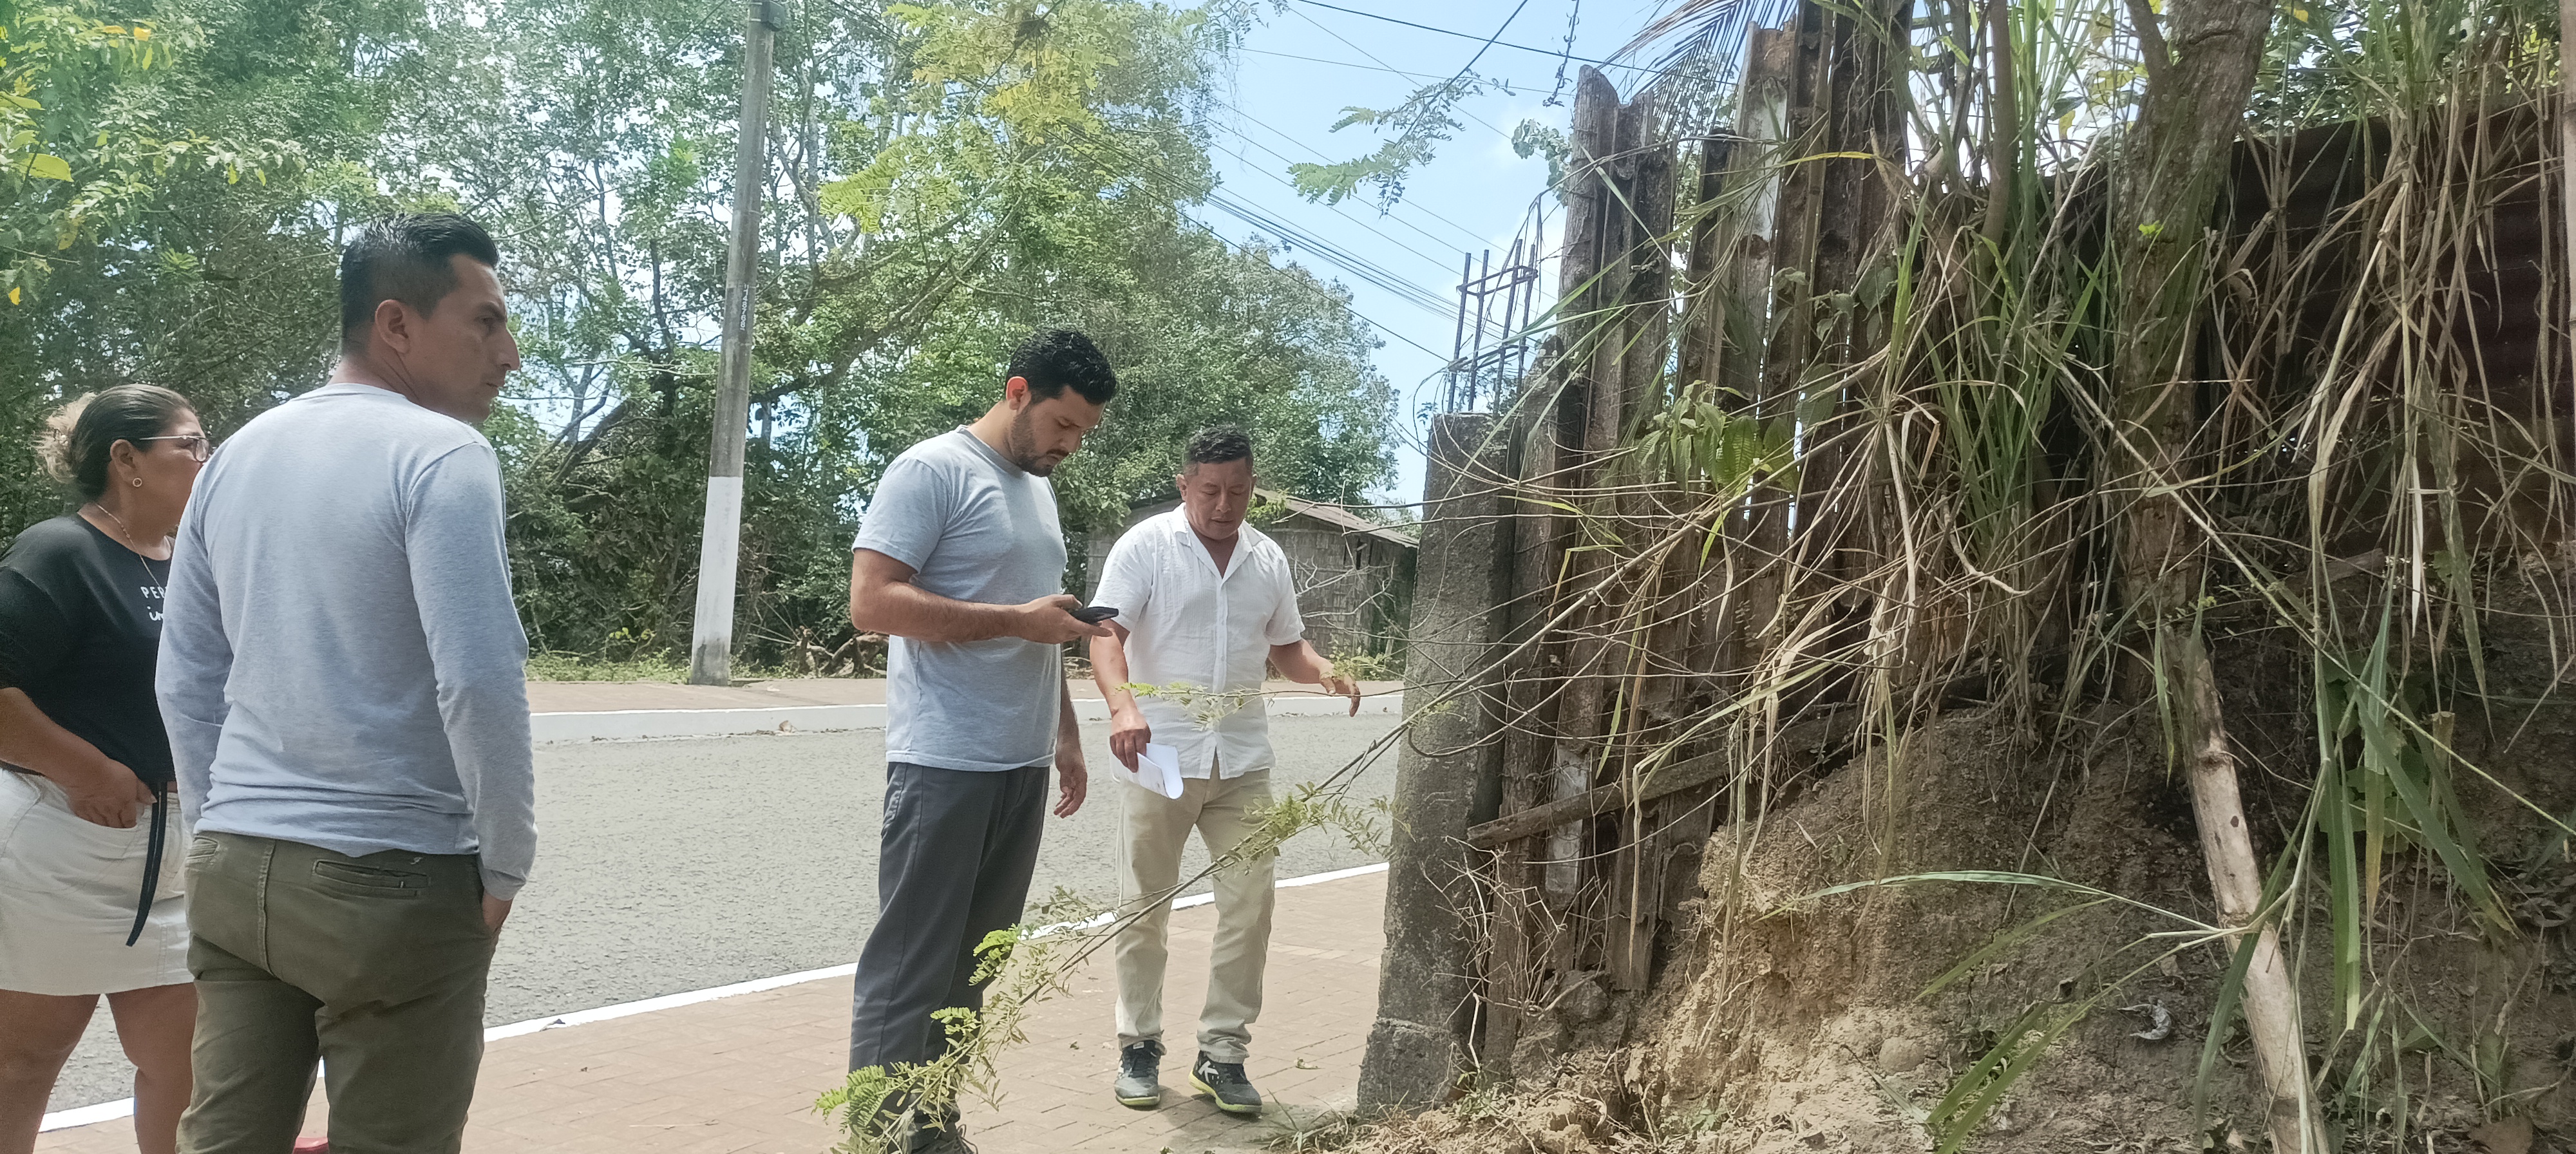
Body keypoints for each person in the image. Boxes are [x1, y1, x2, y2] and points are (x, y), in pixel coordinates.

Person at [156, 213, 533, 1154]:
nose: (510, 354)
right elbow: (478, 679)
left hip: (237, 864)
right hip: (393, 872)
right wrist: (505, 863)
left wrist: (216, 825)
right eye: (485, 322)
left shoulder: (236, 457)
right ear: (396, 323)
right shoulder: (442, 454)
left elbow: (186, 676)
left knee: (224, 1138)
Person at [845, 327, 1119, 1153]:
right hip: (943, 760)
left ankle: (931, 1129)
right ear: (1016, 392)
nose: (1070, 445)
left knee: (974, 967)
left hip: (1019, 762)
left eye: (1083, 433)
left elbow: (1045, 623)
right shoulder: (931, 470)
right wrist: (1014, 622)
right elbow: (871, 603)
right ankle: (873, 1137)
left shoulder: (1037, 489)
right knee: (911, 967)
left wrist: (1064, 731)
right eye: (1063, 424)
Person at [1086, 426, 1360, 1117]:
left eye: (1237, 490)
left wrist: (1325, 671)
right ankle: (1138, 1045)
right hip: (1157, 756)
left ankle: (1223, 1052)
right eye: (1209, 490)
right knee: (1144, 907)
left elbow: (1288, 648)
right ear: (1185, 486)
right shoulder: (1145, 547)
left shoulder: (1267, 558)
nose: (1223, 504)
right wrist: (1123, 708)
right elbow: (1106, 634)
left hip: (1240, 762)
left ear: (1251, 488)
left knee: (1250, 907)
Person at [0, 386, 209, 1154]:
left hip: (173, 858)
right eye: (190, 444)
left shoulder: (188, 559)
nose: (208, 458)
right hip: (62, 851)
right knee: (24, 1062)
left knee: (186, 1066)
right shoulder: (59, 552)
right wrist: (86, 769)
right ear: (127, 459)